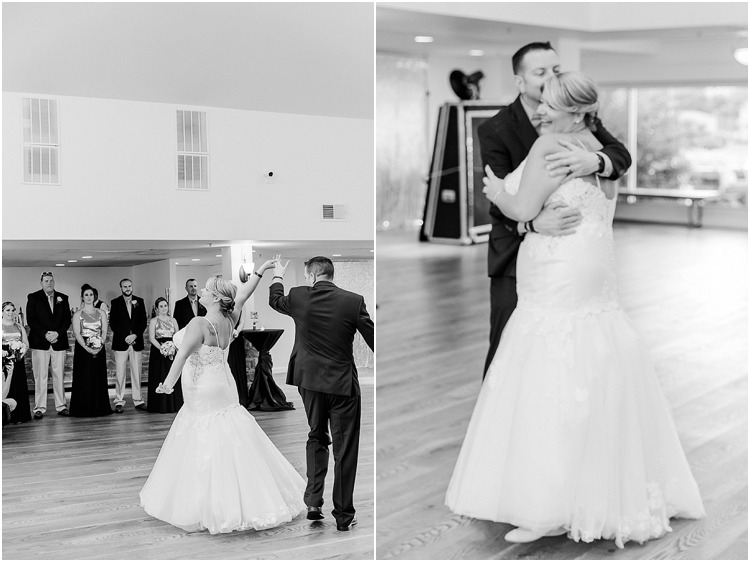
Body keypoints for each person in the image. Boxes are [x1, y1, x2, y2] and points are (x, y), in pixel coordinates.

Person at [445, 72, 705, 548]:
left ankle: (545, 504)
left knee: (550, 366)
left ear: (578, 111)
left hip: (558, 266)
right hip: (595, 266)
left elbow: (522, 205)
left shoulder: (550, 145)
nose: (540, 111)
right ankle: (605, 489)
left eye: (550, 104)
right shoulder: (595, 150)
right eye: (540, 101)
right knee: (596, 358)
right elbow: (599, 185)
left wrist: (495, 190)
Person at [479, 42, 632, 377]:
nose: (551, 76)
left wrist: (595, 160)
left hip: (559, 264)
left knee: (540, 346)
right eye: (541, 72)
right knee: (507, 347)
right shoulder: (495, 128)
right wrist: (533, 225)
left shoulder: (579, 126)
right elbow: (508, 212)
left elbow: (619, 156)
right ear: (520, 82)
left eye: (556, 70)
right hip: (518, 251)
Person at [140, 261, 307, 534]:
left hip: (202, 387)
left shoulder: (200, 322)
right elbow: (243, 294)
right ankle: (250, 496)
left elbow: (182, 356)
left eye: (205, 290)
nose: (201, 292)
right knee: (230, 432)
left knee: (203, 435)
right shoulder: (230, 318)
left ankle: (210, 504)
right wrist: (261, 271)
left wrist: (167, 384)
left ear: (216, 297)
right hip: (224, 384)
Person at [269, 256, 375, 532]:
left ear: (312, 276)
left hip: (309, 382)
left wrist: (278, 275)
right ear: (329, 274)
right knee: (345, 448)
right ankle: (343, 515)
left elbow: (275, 300)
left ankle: (314, 502)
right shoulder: (353, 301)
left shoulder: (299, 297)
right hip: (342, 384)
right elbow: (375, 338)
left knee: (316, 435)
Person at [26, 271, 72, 418]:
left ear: (54, 282)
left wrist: (57, 333)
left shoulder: (63, 298)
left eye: (51, 280)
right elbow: (31, 320)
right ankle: (39, 408)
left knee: (59, 375)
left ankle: (61, 406)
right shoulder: (33, 297)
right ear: (41, 283)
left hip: (58, 341)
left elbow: (67, 320)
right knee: (40, 376)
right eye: (46, 281)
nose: (49, 283)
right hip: (40, 342)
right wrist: (46, 334)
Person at [69, 285, 113, 418]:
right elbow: (77, 333)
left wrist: (100, 344)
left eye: (91, 295)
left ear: (95, 297)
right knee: (84, 377)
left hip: (99, 347)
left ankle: (100, 407)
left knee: (98, 377)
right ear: (82, 297)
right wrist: (87, 347)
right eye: (86, 295)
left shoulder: (101, 313)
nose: (89, 297)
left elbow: (104, 330)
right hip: (83, 349)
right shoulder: (77, 314)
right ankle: (82, 408)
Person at [109, 279, 148, 413]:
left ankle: (138, 400)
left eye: (129, 286)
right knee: (120, 373)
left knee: (136, 372)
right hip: (121, 342)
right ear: (121, 288)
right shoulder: (115, 302)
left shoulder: (140, 301)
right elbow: (113, 323)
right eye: (125, 286)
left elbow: (143, 321)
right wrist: (125, 337)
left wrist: (135, 335)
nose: (127, 288)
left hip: (136, 342)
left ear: (132, 287)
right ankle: (119, 401)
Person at [146, 297, 182, 413]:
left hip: (172, 350)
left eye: (165, 305)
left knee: (172, 374)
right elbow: (152, 338)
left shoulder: (173, 320)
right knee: (159, 375)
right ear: (157, 309)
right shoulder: (154, 321)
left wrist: (172, 348)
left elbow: (177, 336)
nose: (163, 308)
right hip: (158, 351)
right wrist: (163, 348)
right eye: (161, 306)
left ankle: (174, 405)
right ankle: (159, 405)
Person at [1, 301, 32, 423]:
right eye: (7, 310)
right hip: (3, 362)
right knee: (5, 387)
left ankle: (20, 415)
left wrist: (19, 355)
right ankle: (5, 417)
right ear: (2, 311)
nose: (10, 312)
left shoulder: (19, 327)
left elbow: (26, 344)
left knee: (18, 386)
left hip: (18, 361)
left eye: (12, 310)